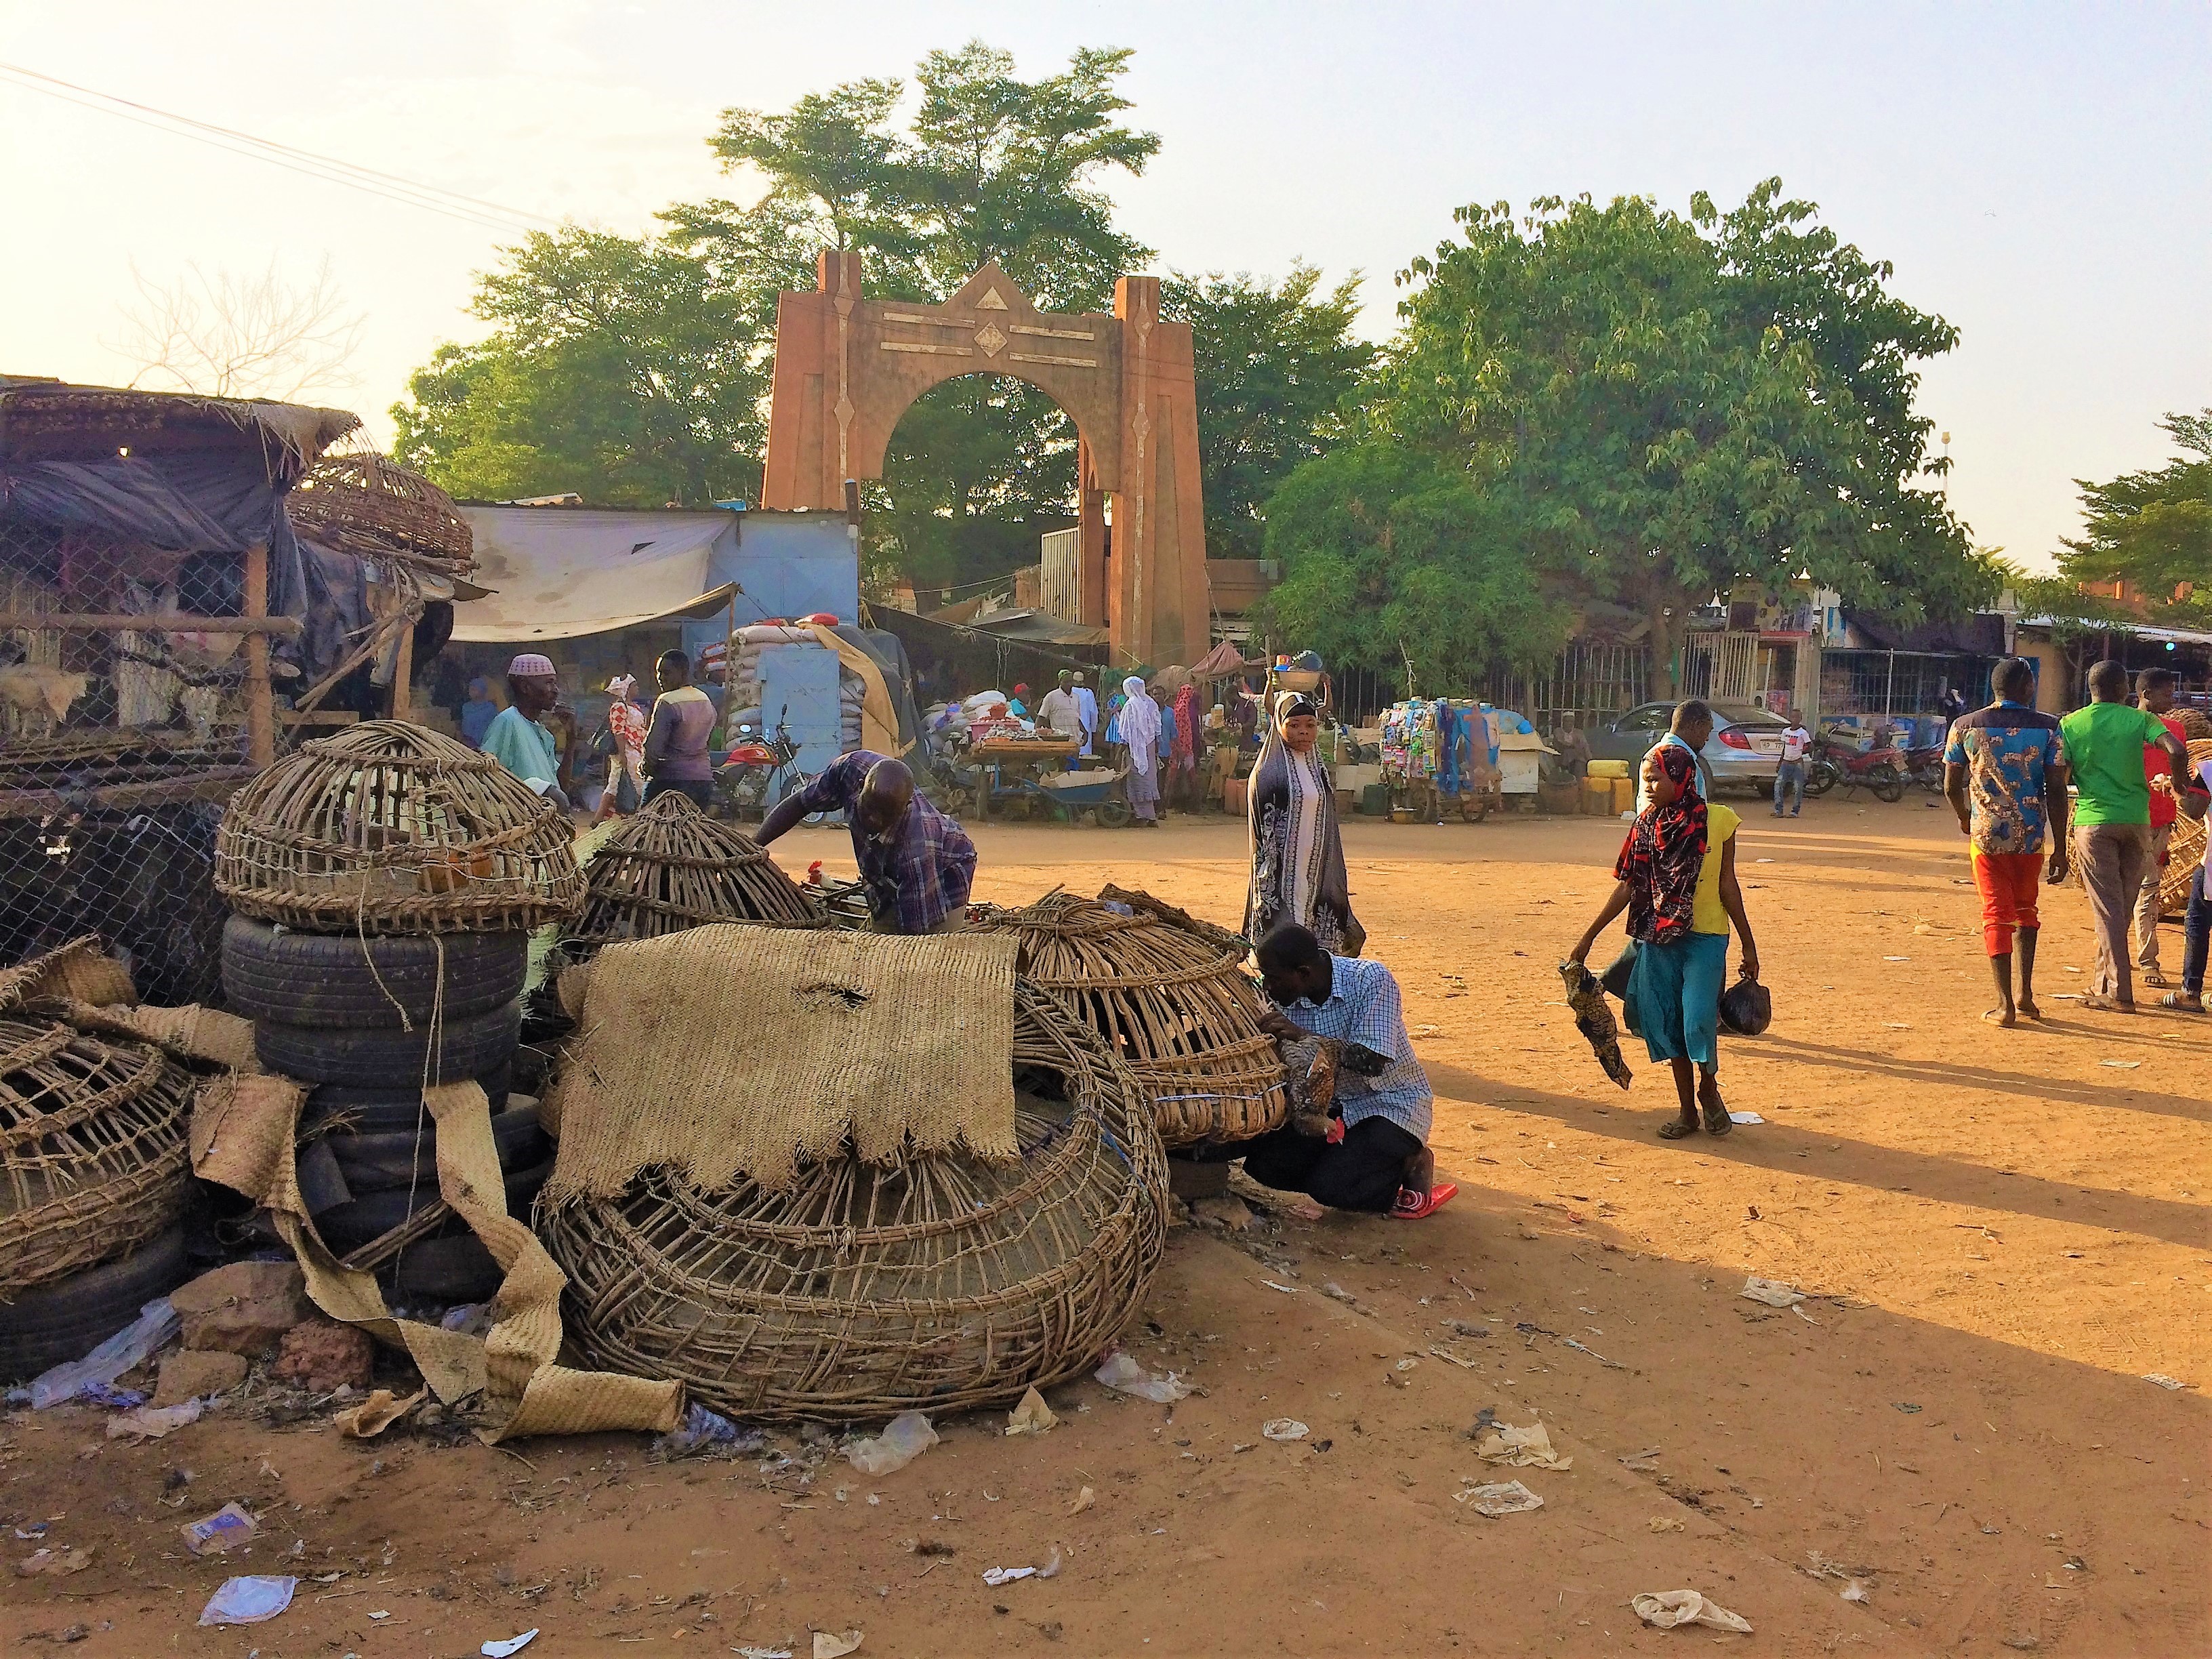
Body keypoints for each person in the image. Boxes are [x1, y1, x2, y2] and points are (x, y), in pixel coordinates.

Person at [1568, 741, 1759, 1140]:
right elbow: (1627, 887)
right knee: (1668, 1026)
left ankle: (1709, 1089)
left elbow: (1728, 885)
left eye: (1657, 779)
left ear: (1682, 777)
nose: (1650, 787)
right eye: (1646, 780)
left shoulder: (1719, 821)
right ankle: (1688, 1112)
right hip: (1657, 937)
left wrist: (1749, 945)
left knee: (1697, 1021)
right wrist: (1588, 937)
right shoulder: (1644, 827)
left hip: (1706, 937)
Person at [1231, 924, 1455, 1219]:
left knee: (1334, 1189)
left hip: (1391, 1106)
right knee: (1265, 1167)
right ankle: (1348, 1164)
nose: (1267, 987)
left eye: (1273, 979)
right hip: (1331, 1107)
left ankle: (1412, 1163)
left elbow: (1373, 1061)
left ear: (1304, 973)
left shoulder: (1370, 980)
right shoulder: (1279, 995)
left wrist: (1304, 1037)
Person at [1942, 658, 2070, 1026]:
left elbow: (1951, 785)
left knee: (1996, 914)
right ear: (2027, 687)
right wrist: (2060, 845)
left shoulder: (1964, 726)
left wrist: (1966, 817)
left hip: (1987, 837)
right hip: (2030, 836)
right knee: (2026, 909)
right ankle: (2026, 996)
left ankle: (2004, 1005)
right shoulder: (2049, 728)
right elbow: (2057, 790)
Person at [2060, 659, 2189, 1011]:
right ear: (2124, 690)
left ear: (2091, 689)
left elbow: (2060, 776)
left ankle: (2120, 993)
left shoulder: (2071, 723)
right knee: (2121, 907)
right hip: (2137, 821)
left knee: (2108, 911)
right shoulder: (2142, 720)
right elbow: (2176, 750)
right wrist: (2180, 785)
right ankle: (2103, 984)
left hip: (2093, 820)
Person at [758, 752, 975, 934]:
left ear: (905, 807)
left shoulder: (916, 849)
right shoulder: (849, 771)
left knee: (937, 948)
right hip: (892, 867)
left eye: (885, 815)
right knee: (883, 928)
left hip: (949, 866)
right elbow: (800, 802)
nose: (874, 821)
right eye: (870, 808)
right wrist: (753, 846)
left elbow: (915, 938)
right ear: (861, 786)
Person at [1246, 691, 1365, 954]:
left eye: (1310, 726)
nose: (1304, 732)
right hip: (1283, 874)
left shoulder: (1317, 769)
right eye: (1294, 726)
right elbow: (1264, 838)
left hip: (1317, 868)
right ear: (1279, 726)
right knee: (1288, 939)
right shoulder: (1268, 773)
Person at [2132, 668, 2188, 988]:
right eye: (2167, 693)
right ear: (2147, 694)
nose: (2173, 698)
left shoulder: (2176, 730)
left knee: (2149, 892)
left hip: (2161, 820)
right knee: (2128, 895)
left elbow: (2182, 775)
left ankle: (2147, 959)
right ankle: (2136, 962)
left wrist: (2174, 788)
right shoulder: (2127, 727)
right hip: (2131, 818)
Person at [479, 654, 571, 810]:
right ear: (525, 687)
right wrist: (536, 788)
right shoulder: (507, 722)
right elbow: (488, 778)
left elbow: (561, 787)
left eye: (555, 683)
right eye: (549, 683)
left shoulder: (544, 733)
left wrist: (572, 738)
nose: (555, 691)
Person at [2161, 749, 2211, 1014]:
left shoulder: (2209, 771)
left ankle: (2190, 992)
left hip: (2211, 868)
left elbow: (2195, 809)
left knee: (2197, 926)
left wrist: (2176, 792)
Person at [642, 648, 718, 809]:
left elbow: (653, 748)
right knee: (695, 832)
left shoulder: (667, 701)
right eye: (658, 673)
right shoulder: (704, 699)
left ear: (683, 672)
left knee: (645, 827)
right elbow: (707, 740)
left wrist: (645, 769)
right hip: (703, 782)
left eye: (666, 673)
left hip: (670, 781)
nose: (661, 678)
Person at [1636, 699, 1715, 813]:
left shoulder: (1652, 755)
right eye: (1707, 731)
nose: (1707, 738)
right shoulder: (1681, 760)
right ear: (1697, 726)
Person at [594, 674, 650, 823]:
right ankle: (636, 819)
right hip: (627, 751)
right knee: (637, 784)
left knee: (614, 786)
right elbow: (618, 732)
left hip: (636, 750)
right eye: (634, 685)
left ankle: (598, 821)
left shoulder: (634, 707)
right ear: (626, 689)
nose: (638, 688)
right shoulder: (619, 707)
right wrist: (623, 755)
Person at [1118, 675, 1164, 827]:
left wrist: (1120, 751)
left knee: (1136, 780)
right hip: (1150, 746)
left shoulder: (1130, 705)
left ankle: (1141, 816)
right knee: (1148, 779)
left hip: (1134, 748)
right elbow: (1158, 727)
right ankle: (1150, 816)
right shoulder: (1151, 703)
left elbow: (1126, 732)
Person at [1166, 681, 1202, 811]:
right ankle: (1195, 803)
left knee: (1173, 776)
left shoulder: (1178, 708)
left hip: (1177, 747)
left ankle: (1168, 803)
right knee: (1188, 775)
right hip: (1184, 748)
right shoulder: (1185, 709)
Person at [1774, 708, 1811, 817]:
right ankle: (1778, 810)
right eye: (1793, 717)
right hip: (1785, 763)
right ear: (1790, 718)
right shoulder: (1785, 732)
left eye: (1797, 717)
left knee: (1798, 788)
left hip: (1797, 763)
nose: (1795, 719)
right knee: (1778, 785)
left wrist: (1801, 751)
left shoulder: (1803, 733)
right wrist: (1780, 762)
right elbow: (1785, 748)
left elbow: (1810, 746)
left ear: (1800, 719)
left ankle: (1795, 811)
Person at [1036, 672, 1084, 743]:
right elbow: (1041, 718)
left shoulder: (1076, 697)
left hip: (1075, 740)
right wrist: (1037, 736)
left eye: (1070, 681)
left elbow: (1076, 718)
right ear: (1060, 682)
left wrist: (1085, 732)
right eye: (1066, 682)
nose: (1069, 684)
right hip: (1059, 740)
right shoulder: (1051, 696)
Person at [459, 675, 499, 750]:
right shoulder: (466, 707)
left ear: (482, 691)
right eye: (470, 689)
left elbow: (494, 729)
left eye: (474, 689)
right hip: (466, 746)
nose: (471, 691)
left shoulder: (490, 709)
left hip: (484, 747)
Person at [1072, 671, 1099, 757]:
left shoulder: (1069, 692)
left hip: (1071, 726)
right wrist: (1094, 730)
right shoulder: (1088, 693)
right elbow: (1094, 713)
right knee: (1085, 756)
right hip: (1086, 728)